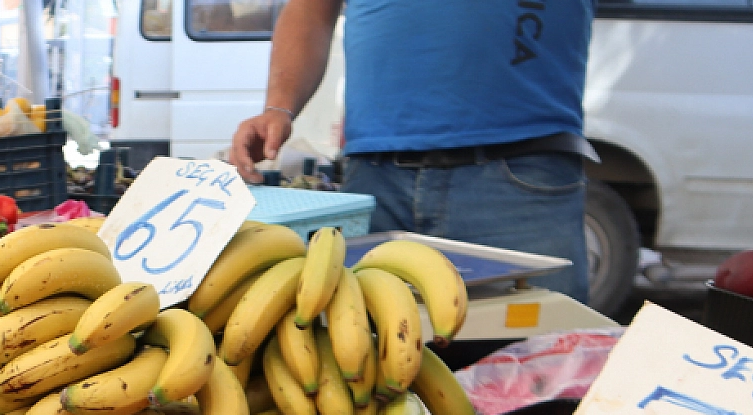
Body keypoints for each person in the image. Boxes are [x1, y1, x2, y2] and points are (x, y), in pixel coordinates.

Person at [229, 0, 594, 302]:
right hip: (374, 180)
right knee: (365, 372)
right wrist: (279, 107)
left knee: (544, 369)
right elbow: (311, 9)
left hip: (519, 173)